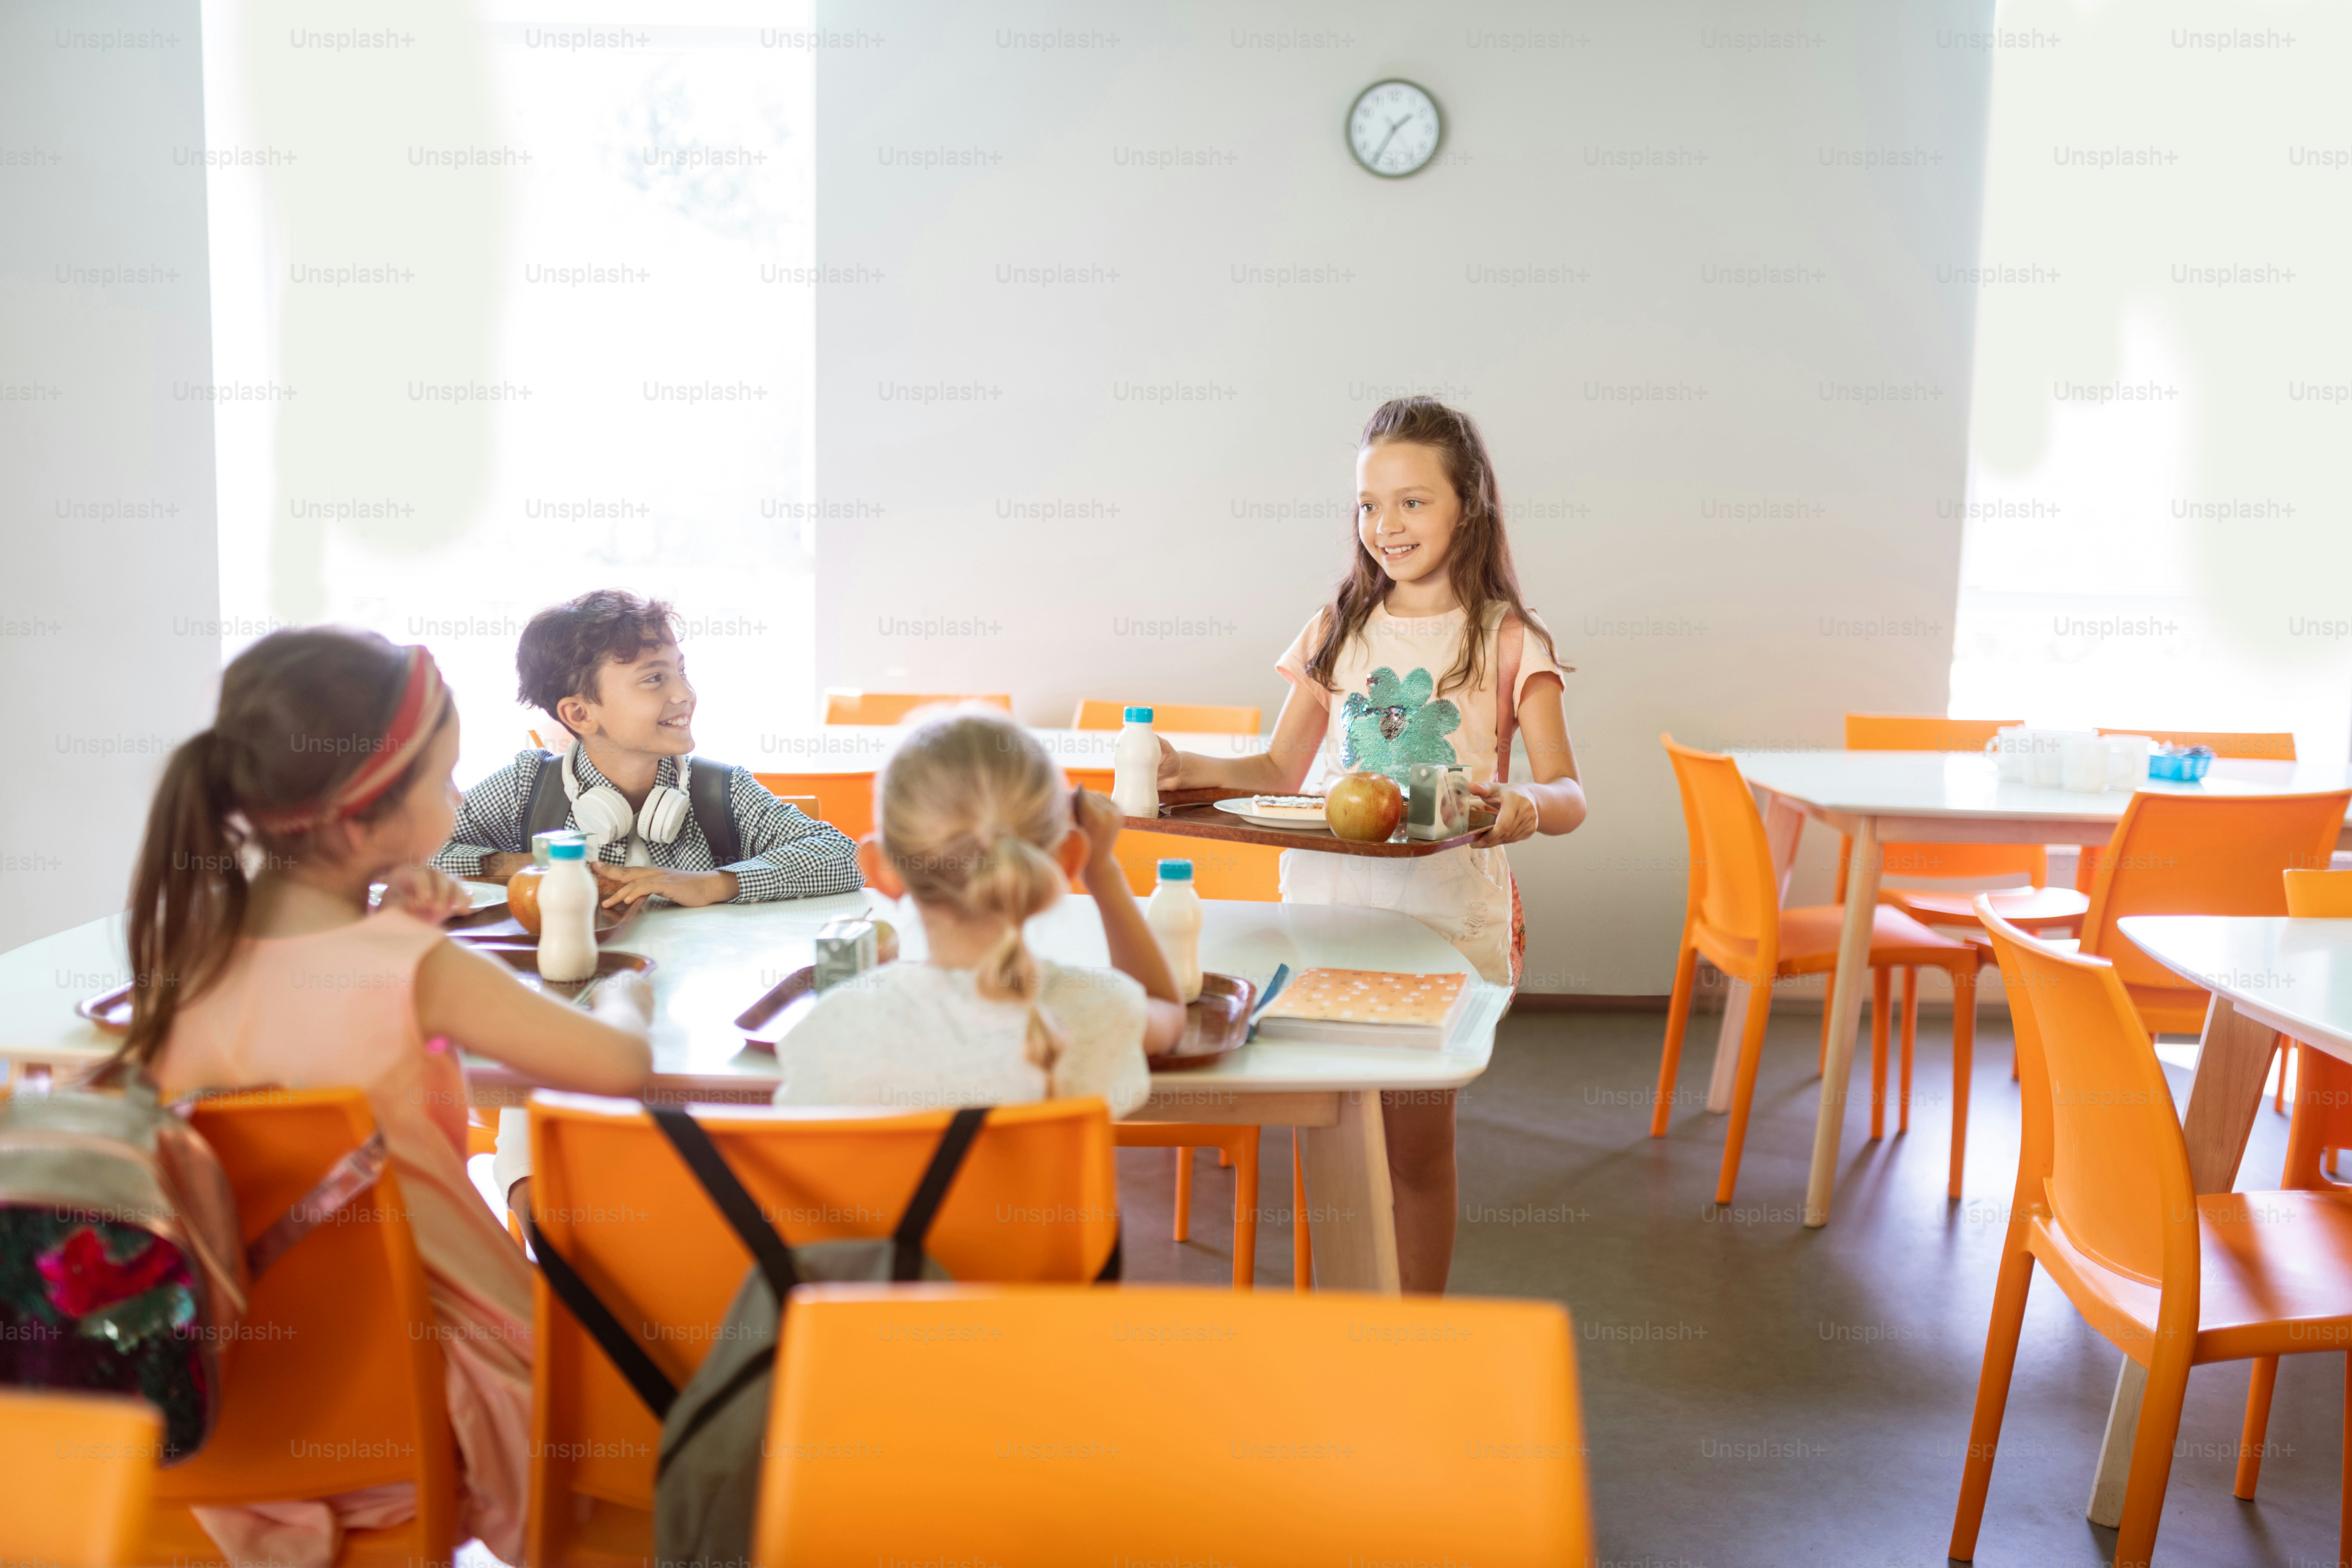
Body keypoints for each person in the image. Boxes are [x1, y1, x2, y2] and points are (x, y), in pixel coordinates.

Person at [123, 628, 653, 1565]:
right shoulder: (415, 967)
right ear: (358, 829)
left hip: (239, 1405)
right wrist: (628, 997)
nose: (461, 798)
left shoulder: (182, 960)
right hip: (434, 1397)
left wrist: (388, 921)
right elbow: (618, 1067)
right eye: (444, 781)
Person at [1156, 396, 1588, 1293]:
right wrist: (1185, 764)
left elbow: (1568, 791)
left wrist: (1526, 805)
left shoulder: (1509, 639)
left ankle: (1411, 1332)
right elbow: (1278, 767)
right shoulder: (1337, 629)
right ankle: (1343, 1316)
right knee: (1333, 1135)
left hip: (1438, 925)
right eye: (1367, 504)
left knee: (1414, 1148)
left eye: (1412, 501)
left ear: (1468, 504)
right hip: (1326, 913)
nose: (1385, 525)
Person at [774, 710, 1187, 1118]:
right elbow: (1166, 1010)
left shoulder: (832, 1031)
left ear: (881, 870)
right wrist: (1103, 871)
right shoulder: (1099, 1011)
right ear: (1068, 860)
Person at [430, 589, 860, 910]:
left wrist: (714, 884)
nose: (685, 694)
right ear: (580, 714)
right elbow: (415, 855)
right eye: (654, 679)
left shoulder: (720, 791)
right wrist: (517, 865)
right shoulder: (527, 789)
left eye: (681, 672)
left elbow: (843, 856)